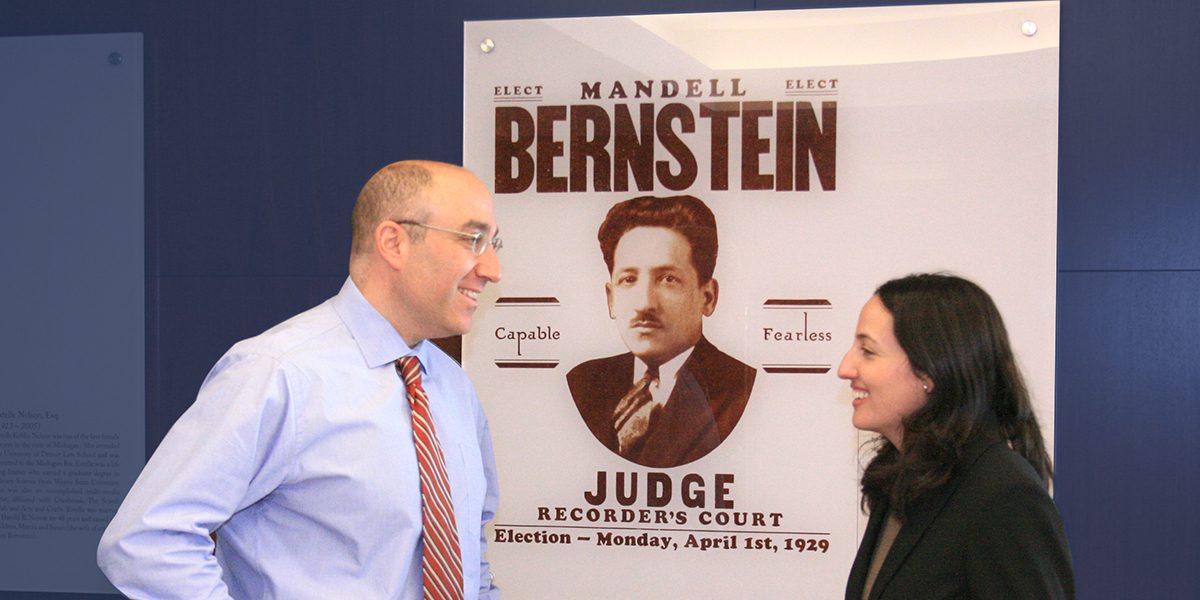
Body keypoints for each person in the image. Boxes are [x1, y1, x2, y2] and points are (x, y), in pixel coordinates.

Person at [97, 161, 503, 599]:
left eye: (493, 244)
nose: (493, 269)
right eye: (473, 240)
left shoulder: (451, 386)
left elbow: (467, 553)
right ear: (394, 242)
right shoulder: (279, 373)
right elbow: (147, 543)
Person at [838, 273, 1074, 600]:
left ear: (929, 371)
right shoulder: (903, 476)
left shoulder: (1005, 497)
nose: (845, 368)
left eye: (868, 350)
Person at [567, 194, 755, 468]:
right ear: (611, 299)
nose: (644, 303)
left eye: (668, 279)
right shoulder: (583, 383)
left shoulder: (741, 390)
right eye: (628, 279)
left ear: (708, 297)